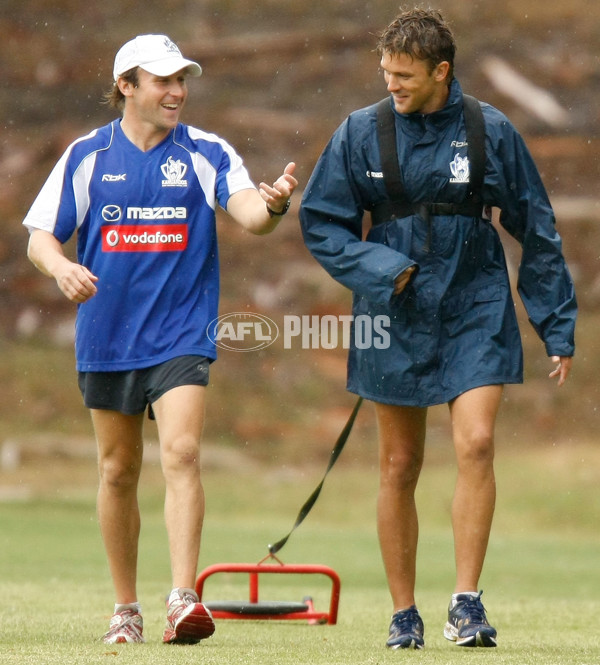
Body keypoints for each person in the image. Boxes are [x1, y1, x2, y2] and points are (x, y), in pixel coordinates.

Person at [299, 8, 576, 650]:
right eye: (385, 73)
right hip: (392, 308)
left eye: (404, 75)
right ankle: (404, 613)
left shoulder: (490, 131)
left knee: (476, 443)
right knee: (399, 464)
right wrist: (380, 267)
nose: (391, 84)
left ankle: (466, 603)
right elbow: (321, 223)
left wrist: (555, 323)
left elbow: (536, 227)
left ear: (441, 71)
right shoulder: (359, 132)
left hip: (476, 300)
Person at [23, 34, 297, 645]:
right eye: (163, 81)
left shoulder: (205, 151)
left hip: (181, 332)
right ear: (127, 86)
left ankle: (182, 597)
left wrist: (275, 204)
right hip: (108, 334)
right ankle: (126, 607)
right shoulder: (88, 155)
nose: (177, 91)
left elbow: (250, 216)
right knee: (118, 469)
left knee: (182, 453)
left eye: (182, 80)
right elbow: (40, 236)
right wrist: (62, 267)